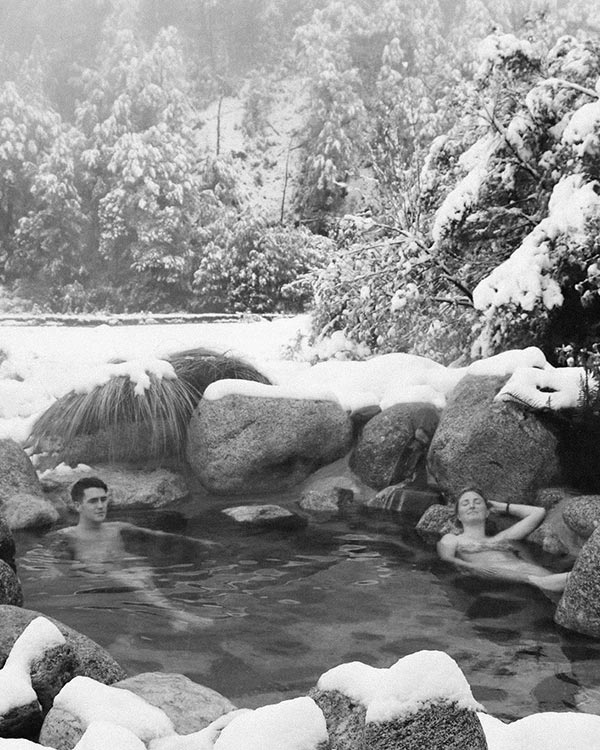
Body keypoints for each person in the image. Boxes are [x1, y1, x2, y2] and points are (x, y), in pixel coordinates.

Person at [49, 476, 214, 630]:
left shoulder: (118, 528)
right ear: (78, 506)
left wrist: (199, 543)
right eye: (93, 501)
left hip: (126, 573)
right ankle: (178, 614)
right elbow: (53, 564)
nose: (101, 506)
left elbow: (157, 536)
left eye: (103, 499)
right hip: (96, 580)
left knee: (141, 572)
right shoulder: (67, 536)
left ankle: (170, 616)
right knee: (130, 578)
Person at [436, 487, 571, 593]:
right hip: (495, 572)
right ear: (459, 516)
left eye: (477, 502)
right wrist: (474, 567)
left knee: (556, 582)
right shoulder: (453, 538)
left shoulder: (503, 538)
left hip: (527, 569)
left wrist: (502, 507)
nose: (472, 506)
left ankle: (563, 581)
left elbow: (538, 512)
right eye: (465, 504)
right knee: (556, 582)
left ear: (487, 512)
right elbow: (446, 557)